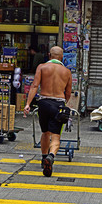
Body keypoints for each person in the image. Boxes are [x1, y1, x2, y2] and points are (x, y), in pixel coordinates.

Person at [24, 46, 72, 177]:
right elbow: (68, 93)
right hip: (58, 104)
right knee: (56, 136)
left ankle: (43, 157)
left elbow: (34, 85)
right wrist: (63, 104)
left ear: (49, 55)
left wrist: (28, 104)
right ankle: (51, 156)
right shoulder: (67, 72)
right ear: (62, 57)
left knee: (45, 132)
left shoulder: (42, 67)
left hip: (43, 103)